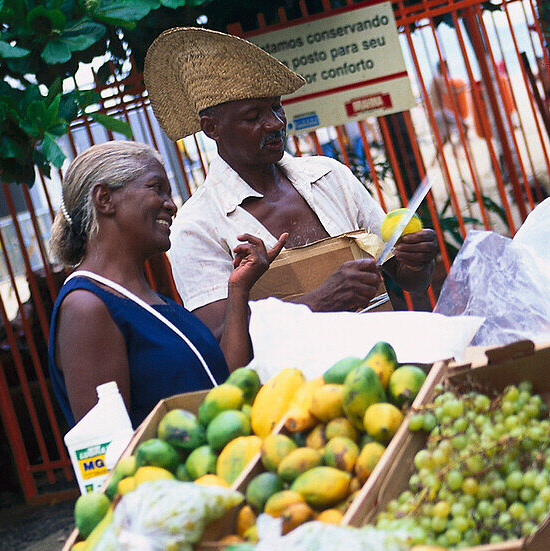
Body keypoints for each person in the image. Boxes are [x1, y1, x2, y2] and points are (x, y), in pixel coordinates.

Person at [144, 27, 438, 337]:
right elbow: (219, 340)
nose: (274, 123)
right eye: (253, 116)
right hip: (291, 385)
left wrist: (418, 260)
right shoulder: (197, 226)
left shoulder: (329, 177)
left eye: (276, 106)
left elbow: (409, 279)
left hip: (383, 363)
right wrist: (321, 303)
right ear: (212, 128)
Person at [47, 140, 285, 426]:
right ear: (104, 199)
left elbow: (224, 386)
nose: (171, 205)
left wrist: (238, 290)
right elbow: (110, 443)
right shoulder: (87, 306)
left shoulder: (151, 299)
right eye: (156, 189)